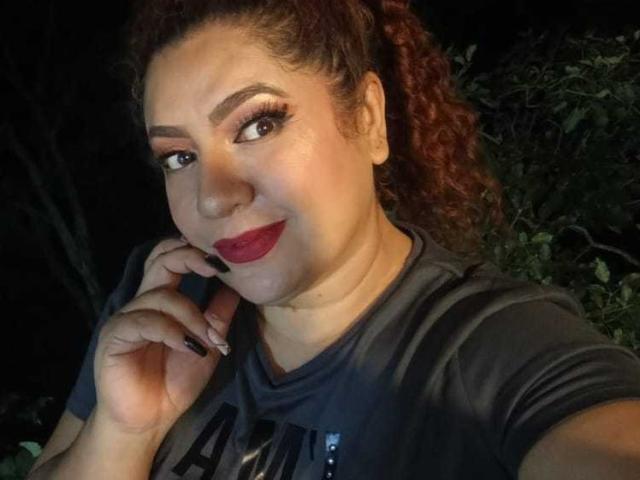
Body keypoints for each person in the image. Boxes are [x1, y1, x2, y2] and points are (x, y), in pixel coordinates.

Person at [28, 1, 640, 479]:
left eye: (258, 125)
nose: (212, 198)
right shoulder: (164, 299)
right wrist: (125, 431)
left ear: (368, 119)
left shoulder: (494, 348)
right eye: (179, 157)